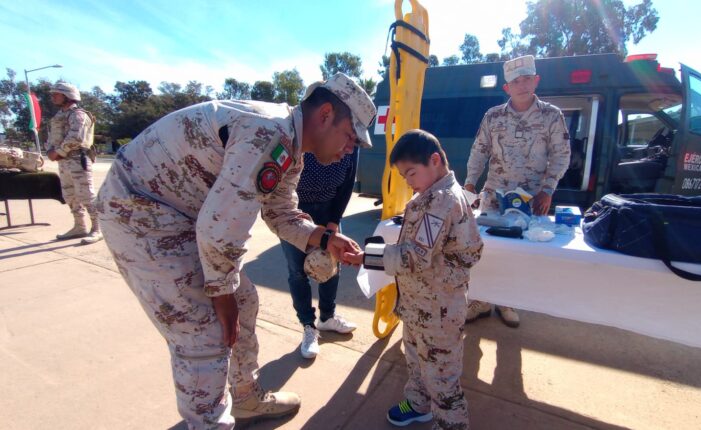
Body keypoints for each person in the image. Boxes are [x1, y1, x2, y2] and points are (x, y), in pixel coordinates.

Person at [96, 73, 375, 429]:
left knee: (244, 300)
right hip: (139, 213)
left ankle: (243, 398)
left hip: (183, 217)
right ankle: (209, 423)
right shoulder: (268, 131)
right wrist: (220, 291)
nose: (350, 148)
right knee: (203, 334)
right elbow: (220, 229)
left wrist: (324, 238)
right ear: (324, 115)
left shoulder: (291, 145)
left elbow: (279, 212)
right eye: (350, 136)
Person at [346, 130, 483, 430]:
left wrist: (367, 257)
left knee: (441, 377)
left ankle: (450, 424)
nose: (408, 181)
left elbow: (415, 257)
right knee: (418, 361)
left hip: (439, 311)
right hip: (420, 304)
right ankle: (419, 403)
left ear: (434, 160)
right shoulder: (430, 195)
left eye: (411, 173)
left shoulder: (443, 200)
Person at [464, 55, 571, 328]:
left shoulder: (551, 116)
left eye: (526, 79)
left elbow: (561, 155)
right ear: (506, 88)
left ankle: (508, 301)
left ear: (536, 81)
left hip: (530, 200)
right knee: (486, 250)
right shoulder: (493, 117)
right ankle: (481, 300)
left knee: (519, 252)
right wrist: (470, 183)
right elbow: (479, 151)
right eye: (515, 81)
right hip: (493, 198)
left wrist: (548, 190)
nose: (522, 85)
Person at [280, 145, 359, 359]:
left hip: (329, 207)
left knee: (332, 267)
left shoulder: (352, 142)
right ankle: (308, 326)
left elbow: (348, 183)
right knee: (297, 271)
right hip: (294, 210)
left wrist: (334, 222)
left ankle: (327, 317)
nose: (349, 144)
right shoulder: (301, 138)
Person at [46, 82, 102, 245]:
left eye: (56, 94)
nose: (53, 97)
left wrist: (57, 152)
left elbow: (76, 138)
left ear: (67, 96)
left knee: (86, 195)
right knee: (70, 195)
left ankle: (97, 228)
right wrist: (50, 150)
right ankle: (79, 226)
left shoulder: (78, 115)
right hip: (63, 162)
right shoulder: (58, 117)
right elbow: (52, 137)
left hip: (78, 159)